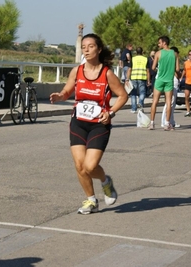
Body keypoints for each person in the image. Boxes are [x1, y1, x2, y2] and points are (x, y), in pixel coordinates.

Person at [50, 33, 128, 214]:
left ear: (99, 49)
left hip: (99, 125)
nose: (86, 49)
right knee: (79, 165)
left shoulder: (107, 73)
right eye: (84, 46)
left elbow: (123, 96)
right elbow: (67, 91)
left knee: (90, 166)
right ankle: (91, 200)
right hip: (78, 122)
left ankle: (106, 182)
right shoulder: (77, 71)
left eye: (90, 46)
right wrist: (60, 96)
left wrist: (111, 113)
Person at [148, 35, 180, 130]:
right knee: (169, 102)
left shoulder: (158, 53)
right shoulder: (174, 54)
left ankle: (152, 123)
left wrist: (159, 68)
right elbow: (177, 69)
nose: (158, 44)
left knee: (155, 101)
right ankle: (167, 123)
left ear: (164, 42)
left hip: (160, 80)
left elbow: (153, 68)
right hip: (169, 80)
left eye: (159, 42)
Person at [126, 47, 150, 113]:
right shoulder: (145, 59)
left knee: (133, 93)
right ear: (142, 52)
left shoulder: (133, 59)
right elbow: (148, 71)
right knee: (142, 92)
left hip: (133, 77)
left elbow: (129, 69)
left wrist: (127, 79)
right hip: (142, 77)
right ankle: (140, 103)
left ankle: (134, 109)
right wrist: (148, 80)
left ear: (136, 52)